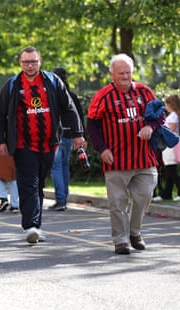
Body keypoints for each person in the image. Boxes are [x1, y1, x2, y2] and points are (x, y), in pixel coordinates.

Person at [0, 46, 85, 244]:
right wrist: (0, 140)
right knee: (29, 184)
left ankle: (36, 225)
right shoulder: (12, 85)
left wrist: (77, 134)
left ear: (40, 61)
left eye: (33, 61)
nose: (30, 65)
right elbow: (0, 115)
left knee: (39, 184)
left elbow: (68, 108)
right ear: (20, 63)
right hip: (22, 144)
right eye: (26, 62)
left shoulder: (52, 81)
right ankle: (31, 226)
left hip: (49, 144)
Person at [87, 53, 161, 255]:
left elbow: (159, 116)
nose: (125, 77)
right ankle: (121, 240)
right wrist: (102, 149)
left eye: (128, 72)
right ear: (112, 74)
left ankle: (135, 232)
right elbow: (92, 125)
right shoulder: (103, 96)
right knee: (118, 203)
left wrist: (151, 127)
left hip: (144, 158)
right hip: (116, 160)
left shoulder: (145, 92)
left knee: (145, 196)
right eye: (121, 73)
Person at [49, 67, 85, 211]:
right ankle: (64, 196)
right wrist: (80, 135)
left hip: (57, 136)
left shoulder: (53, 96)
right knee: (64, 166)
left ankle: (60, 199)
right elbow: (79, 116)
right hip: (70, 136)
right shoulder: (72, 95)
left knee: (56, 167)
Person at [161, 94, 180, 201]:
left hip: (169, 146)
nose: (165, 107)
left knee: (171, 170)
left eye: (166, 104)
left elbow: (170, 131)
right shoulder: (175, 115)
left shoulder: (173, 116)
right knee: (169, 171)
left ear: (170, 105)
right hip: (172, 145)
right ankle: (167, 193)